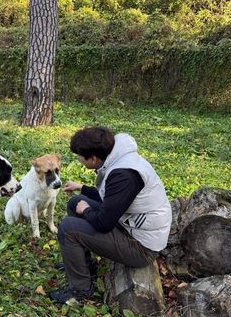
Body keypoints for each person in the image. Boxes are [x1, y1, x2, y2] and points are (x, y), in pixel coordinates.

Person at [50, 126, 172, 304]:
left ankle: (81, 290)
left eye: (80, 156)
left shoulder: (124, 174)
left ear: (93, 158)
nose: (78, 159)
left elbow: (104, 223)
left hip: (142, 248)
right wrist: (82, 188)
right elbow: (112, 198)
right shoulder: (118, 157)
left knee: (68, 228)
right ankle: (83, 265)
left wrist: (86, 210)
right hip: (131, 226)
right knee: (75, 202)